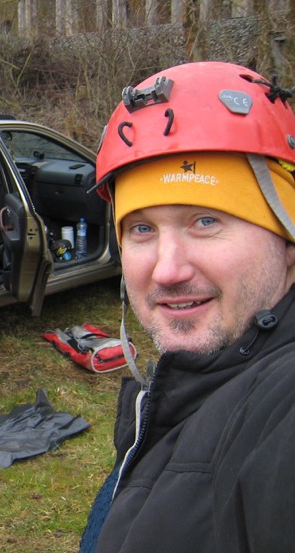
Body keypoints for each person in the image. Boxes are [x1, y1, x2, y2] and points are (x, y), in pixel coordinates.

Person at [79, 61, 295, 552]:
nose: (166, 270)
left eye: (204, 221)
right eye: (142, 229)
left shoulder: (282, 407)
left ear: (287, 239)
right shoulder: (181, 398)